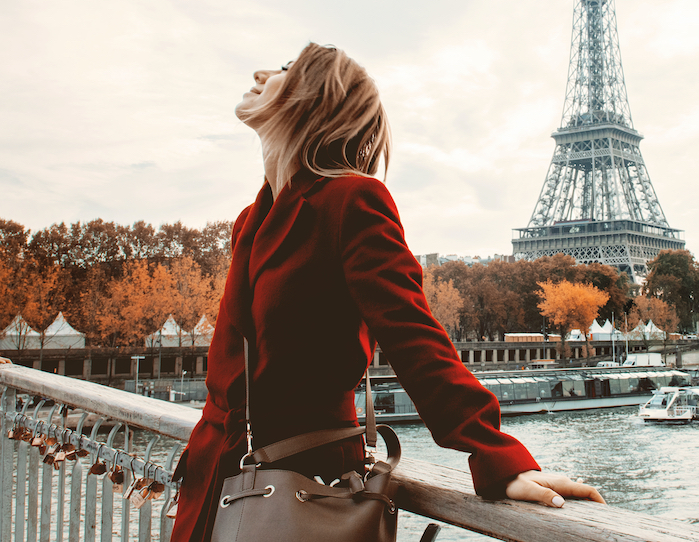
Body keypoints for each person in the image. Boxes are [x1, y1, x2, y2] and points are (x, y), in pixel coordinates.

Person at [171, 43, 603, 541]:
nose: (260, 71)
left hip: (302, 496)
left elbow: (414, 336)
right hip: (220, 488)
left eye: (285, 70)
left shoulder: (352, 201)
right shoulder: (252, 219)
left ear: (311, 99)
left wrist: (497, 455)